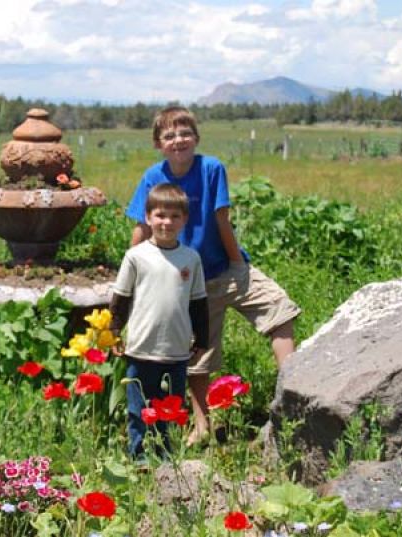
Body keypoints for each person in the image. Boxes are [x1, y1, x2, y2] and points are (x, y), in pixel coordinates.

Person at [125, 106, 301, 446]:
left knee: (279, 309)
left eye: (185, 133)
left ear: (197, 137)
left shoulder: (211, 169)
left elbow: (221, 220)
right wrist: (132, 272)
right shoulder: (152, 177)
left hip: (225, 268)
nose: (179, 140)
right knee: (198, 354)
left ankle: (293, 395)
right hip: (185, 280)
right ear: (158, 144)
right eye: (169, 135)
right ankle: (202, 425)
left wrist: (238, 265)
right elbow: (141, 227)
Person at [109, 183, 209, 459]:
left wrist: (202, 338)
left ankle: (166, 458)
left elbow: (198, 303)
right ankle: (139, 458)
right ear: (149, 217)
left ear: (185, 220)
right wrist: (115, 331)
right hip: (140, 348)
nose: (167, 222)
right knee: (138, 408)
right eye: (161, 215)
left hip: (175, 351)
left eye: (175, 216)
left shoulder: (190, 259)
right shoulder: (136, 257)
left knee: (171, 409)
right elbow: (121, 297)